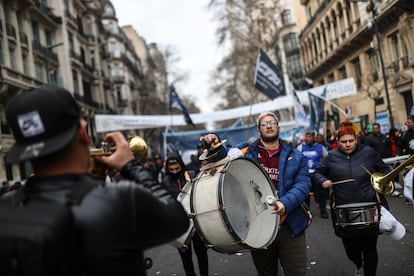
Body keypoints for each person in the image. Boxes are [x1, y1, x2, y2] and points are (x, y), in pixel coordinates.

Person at [0, 85, 189, 275]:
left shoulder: (6, 208)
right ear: (82, 131)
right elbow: (177, 220)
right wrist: (131, 166)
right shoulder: (120, 199)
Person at [200, 111, 311, 276]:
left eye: (272, 122)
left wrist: (284, 204)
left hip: (290, 226)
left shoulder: (296, 156)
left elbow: (303, 184)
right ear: (258, 130)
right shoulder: (246, 152)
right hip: (258, 228)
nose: (269, 126)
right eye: (264, 124)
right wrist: (214, 143)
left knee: (297, 273)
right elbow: (224, 156)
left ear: (278, 127)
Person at [313, 121, 391, 276]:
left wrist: (384, 177)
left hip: (370, 206)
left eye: (351, 141)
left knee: (370, 247)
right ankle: (358, 262)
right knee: (351, 249)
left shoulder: (369, 153)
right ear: (337, 142)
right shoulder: (331, 157)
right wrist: (323, 181)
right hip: (343, 209)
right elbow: (317, 173)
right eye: (343, 142)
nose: (348, 144)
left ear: (356, 139)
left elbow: (385, 169)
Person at [162, 152, 208, 276]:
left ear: (181, 165)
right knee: (185, 256)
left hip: (196, 222)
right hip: (179, 224)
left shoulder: (192, 174)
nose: (174, 171)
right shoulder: (165, 181)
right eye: (171, 169)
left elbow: (202, 191)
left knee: (201, 252)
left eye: (177, 168)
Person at [297, 130, 329, 218]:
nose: (308, 138)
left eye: (310, 136)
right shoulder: (300, 147)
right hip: (305, 175)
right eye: (307, 136)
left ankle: (323, 210)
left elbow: (327, 158)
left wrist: (324, 169)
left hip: (317, 174)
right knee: (305, 194)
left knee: (320, 194)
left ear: (314, 138)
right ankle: (307, 212)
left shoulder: (320, 147)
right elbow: (296, 160)